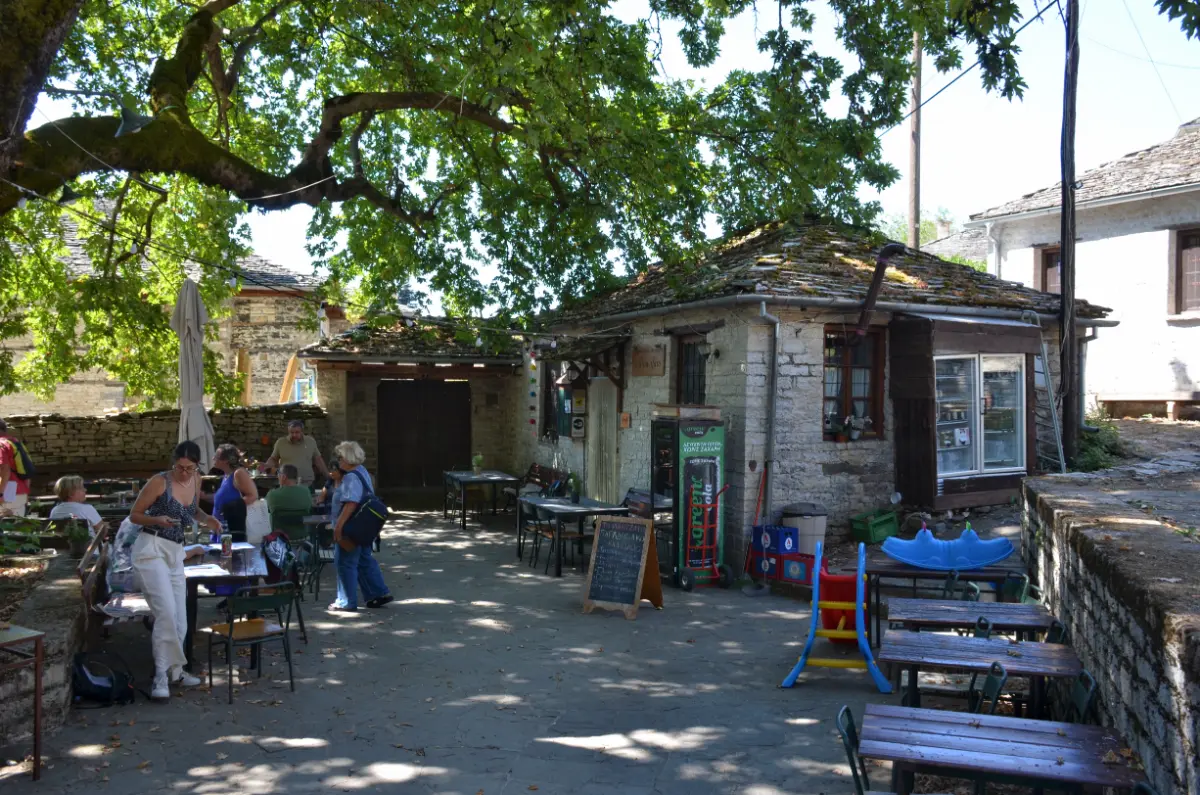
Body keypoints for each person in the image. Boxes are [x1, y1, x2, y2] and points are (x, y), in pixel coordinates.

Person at [128, 441, 222, 702]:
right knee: (166, 613)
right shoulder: (160, 482)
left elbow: (193, 511)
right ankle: (160, 674)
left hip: (175, 553)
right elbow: (134, 515)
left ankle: (177, 671)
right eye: (180, 467)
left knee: (180, 617)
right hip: (151, 549)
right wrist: (155, 519)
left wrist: (208, 519)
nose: (184, 472)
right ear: (173, 463)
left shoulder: (196, 480)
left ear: (197, 466)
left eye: (189, 468)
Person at [328, 441, 391, 612]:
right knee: (364, 558)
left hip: (351, 526)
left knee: (345, 562)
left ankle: (346, 601)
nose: (338, 461)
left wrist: (338, 527)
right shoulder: (362, 472)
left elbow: (351, 503)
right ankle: (377, 592)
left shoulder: (350, 477)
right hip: (363, 525)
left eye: (340, 457)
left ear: (348, 458)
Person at [211, 444, 258, 542]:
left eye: (216, 457)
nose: (213, 458)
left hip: (232, 530)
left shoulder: (239, 474)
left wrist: (231, 508)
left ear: (226, 461)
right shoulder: (226, 475)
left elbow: (253, 495)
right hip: (221, 529)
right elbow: (225, 498)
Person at [261, 420, 328, 486]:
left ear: (302, 431)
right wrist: (266, 466)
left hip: (307, 482)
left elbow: (318, 460)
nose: (294, 435)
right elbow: (273, 458)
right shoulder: (281, 442)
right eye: (291, 432)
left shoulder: (310, 441)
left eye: (297, 432)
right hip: (287, 482)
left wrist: (327, 476)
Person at [0, 419, 32, 517]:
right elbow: (27, 469)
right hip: (20, 493)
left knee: (5, 529)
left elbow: (4, 470)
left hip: (6, 495)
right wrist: (26, 492)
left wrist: (0, 494)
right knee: (18, 529)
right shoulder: (15, 442)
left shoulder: (1, 444)